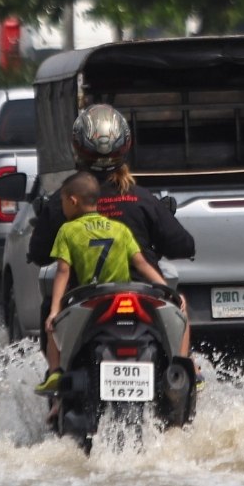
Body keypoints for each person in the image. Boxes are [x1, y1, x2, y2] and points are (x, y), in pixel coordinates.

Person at [28, 103, 199, 379]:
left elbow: (38, 253)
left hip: (83, 303)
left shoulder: (65, 203)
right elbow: (183, 245)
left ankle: (57, 382)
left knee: (51, 307)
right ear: (125, 146)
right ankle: (184, 372)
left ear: (78, 148)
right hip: (146, 301)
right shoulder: (142, 200)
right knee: (180, 307)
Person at [35, 170, 177, 394]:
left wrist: (54, 311)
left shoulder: (68, 231)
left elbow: (63, 271)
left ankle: (55, 374)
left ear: (73, 201)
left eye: (62, 201)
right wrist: (167, 291)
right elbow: (141, 264)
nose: (62, 206)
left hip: (88, 297)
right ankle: (184, 368)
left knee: (53, 329)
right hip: (125, 293)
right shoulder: (120, 229)